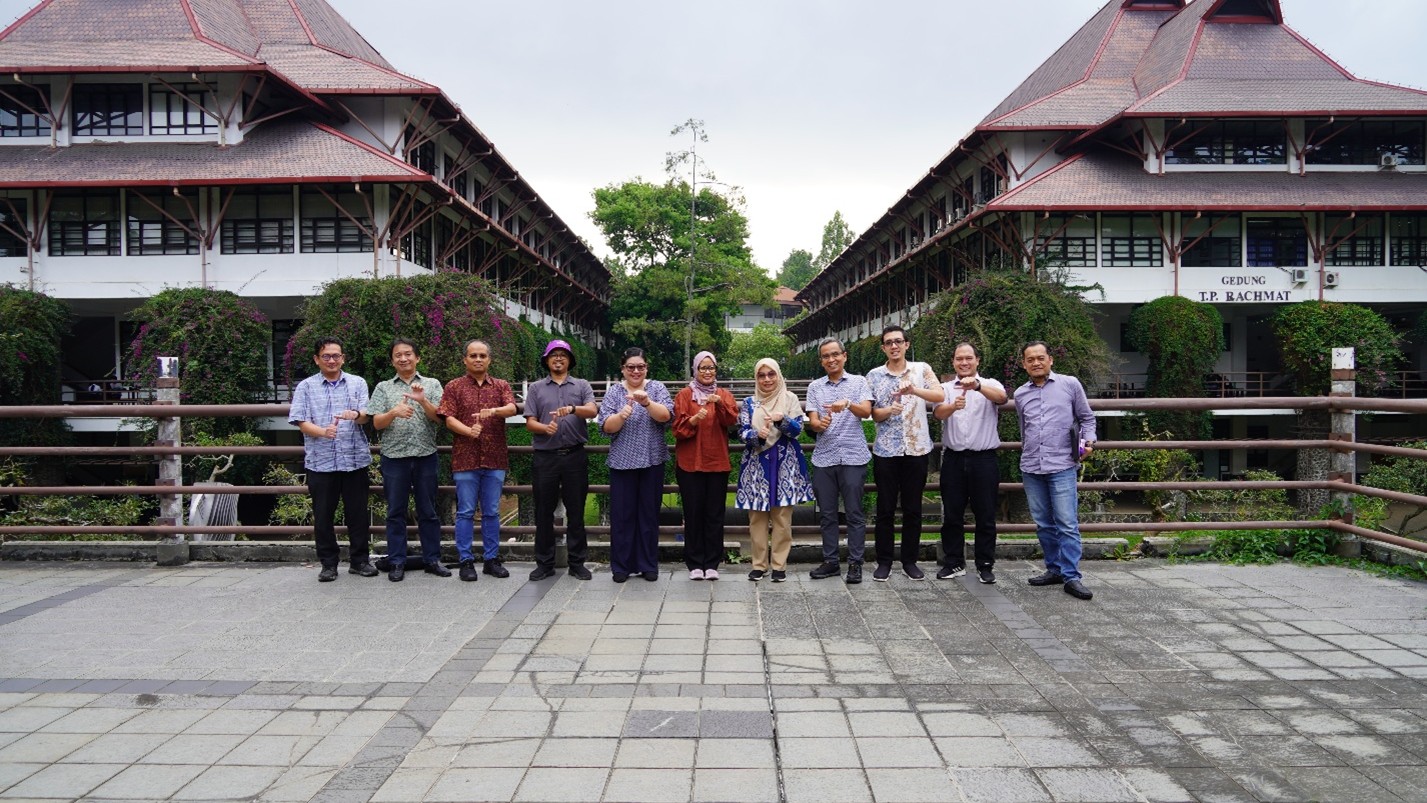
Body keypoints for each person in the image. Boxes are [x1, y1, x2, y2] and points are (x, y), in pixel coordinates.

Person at [288, 338, 376, 583]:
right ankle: (328, 564)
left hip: (354, 459)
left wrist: (356, 414)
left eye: (336, 355)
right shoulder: (305, 386)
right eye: (326, 356)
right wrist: (323, 432)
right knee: (323, 516)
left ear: (343, 358)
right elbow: (300, 421)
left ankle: (360, 561)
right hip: (321, 462)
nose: (332, 360)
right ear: (317, 359)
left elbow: (366, 416)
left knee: (357, 514)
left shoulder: (357, 383)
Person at [1015, 341, 1097, 601]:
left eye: (1041, 357)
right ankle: (1054, 569)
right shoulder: (1020, 394)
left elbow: (1087, 417)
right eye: (1031, 359)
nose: (1036, 362)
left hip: (1062, 463)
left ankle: (1072, 576)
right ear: (1024, 364)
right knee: (1043, 523)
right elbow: (1023, 428)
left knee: (1067, 523)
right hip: (1031, 465)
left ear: (1050, 359)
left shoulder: (1069, 384)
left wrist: (1089, 441)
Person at [867, 325, 944, 581]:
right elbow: (871, 413)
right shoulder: (874, 376)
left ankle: (910, 560)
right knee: (885, 509)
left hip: (916, 448)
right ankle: (884, 561)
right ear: (883, 348)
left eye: (898, 341)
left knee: (913, 509)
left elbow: (939, 394)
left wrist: (913, 390)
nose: (894, 346)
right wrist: (888, 410)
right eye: (888, 342)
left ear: (907, 344)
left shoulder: (922, 369)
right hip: (886, 451)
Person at [437, 339, 518, 582]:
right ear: (465, 359)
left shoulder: (501, 385)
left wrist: (494, 411)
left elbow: (512, 409)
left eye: (483, 355)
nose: (478, 359)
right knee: (465, 512)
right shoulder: (454, 386)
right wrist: (466, 431)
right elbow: (447, 418)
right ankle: (466, 560)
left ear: (489, 359)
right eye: (473, 355)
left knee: (492, 511)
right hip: (465, 457)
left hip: (495, 457)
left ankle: (492, 559)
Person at [367, 338, 446, 582]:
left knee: (428, 511)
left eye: (408, 354)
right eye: (398, 355)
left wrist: (423, 401)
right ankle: (397, 561)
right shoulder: (383, 387)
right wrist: (393, 412)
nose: (403, 358)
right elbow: (376, 423)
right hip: (394, 457)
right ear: (392, 361)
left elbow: (440, 419)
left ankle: (432, 559)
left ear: (417, 357)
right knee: (395, 512)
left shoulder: (432, 384)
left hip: (425, 456)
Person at [933, 342, 1008, 584]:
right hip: (953, 458)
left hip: (983, 459)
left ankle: (985, 564)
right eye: (959, 359)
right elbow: (938, 414)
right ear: (953, 362)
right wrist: (952, 406)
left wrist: (977, 386)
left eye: (968, 358)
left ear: (977, 361)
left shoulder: (990, 383)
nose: (963, 363)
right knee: (952, 515)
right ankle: (953, 562)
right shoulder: (944, 388)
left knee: (985, 515)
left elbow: (1002, 398)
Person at [735, 358, 814, 582]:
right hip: (756, 465)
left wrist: (782, 420)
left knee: (782, 518)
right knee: (756, 517)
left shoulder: (789, 399)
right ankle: (759, 565)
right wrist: (755, 435)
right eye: (762, 375)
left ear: (778, 375)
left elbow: (798, 429)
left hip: (784, 465)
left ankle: (779, 565)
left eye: (771, 374)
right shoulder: (750, 402)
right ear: (756, 378)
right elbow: (742, 431)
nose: (767, 379)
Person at [524, 339, 597, 581]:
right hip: (545, 457)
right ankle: (544, 563)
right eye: (553, 355)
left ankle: (577, 562)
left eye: (563, 355)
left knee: (576, 511)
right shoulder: (535, 388)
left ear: (569, 360)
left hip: (574, 456)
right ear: (546, 360)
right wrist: (543, 428)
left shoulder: (581, 385)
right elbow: (529, 421)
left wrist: (573, 409)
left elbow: (593, 410)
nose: (558, 358)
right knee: (543, 511)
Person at [599, 348, 673, 583]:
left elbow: (666, 417)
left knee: (649, 515)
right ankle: (621, 566)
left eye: (640, 366)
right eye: (630, 367)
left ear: (646, 368)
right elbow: (606, 427)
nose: (636, 371)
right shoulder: (614, 392)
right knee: (622, 516)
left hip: (652, 459)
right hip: (622, 462)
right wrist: (622, 415)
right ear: (623, 369)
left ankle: (647, 564)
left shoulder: (657, 388)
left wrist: (647, 402)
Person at [804, 338, 874, 584]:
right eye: (826, 356)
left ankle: (855, 563)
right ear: (821, 361)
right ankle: (831, 561)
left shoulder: (859, 382)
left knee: (854, 512)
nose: (831, 359)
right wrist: (818, 424)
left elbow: (866, 411)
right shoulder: (815, 387)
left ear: (845, 356)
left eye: (835, 354)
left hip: (853, 456)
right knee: (828, 514)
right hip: (825, 457)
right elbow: (811, 420)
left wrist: (848, 403)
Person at [673, 351, 739, 581]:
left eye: (711, 368)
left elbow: (731, 422)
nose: (708, 372)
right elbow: (677, 431)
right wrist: (693, 420)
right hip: (690, 463)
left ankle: (712, 562)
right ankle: (694, 562)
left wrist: (720, 404)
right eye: (703, 368)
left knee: (714, 514)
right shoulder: (684, 395)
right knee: (693, 514)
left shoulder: (724, 395)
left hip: (717, 462)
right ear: (695, 370)